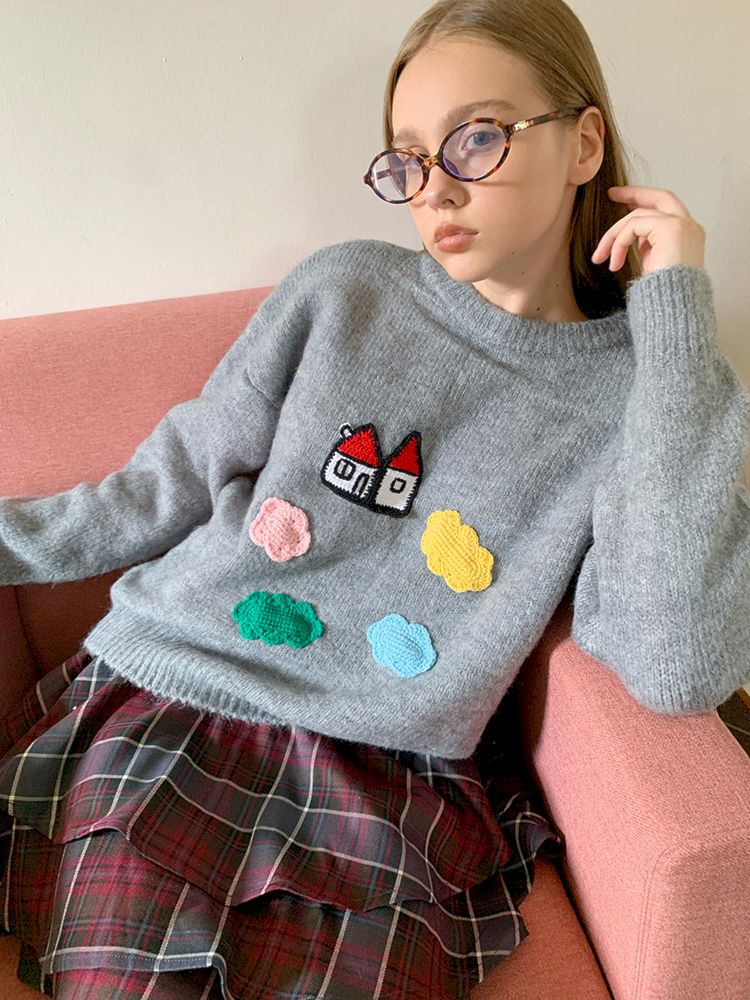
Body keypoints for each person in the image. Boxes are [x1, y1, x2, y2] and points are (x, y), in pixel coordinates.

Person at [1, 0, 748, 997]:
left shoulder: (650, 388)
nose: (434, 188)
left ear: (583, 143)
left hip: (389, 778)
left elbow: (677, 662)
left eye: (476, 137)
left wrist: (675, 311)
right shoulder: (343, 291)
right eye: (408, 158)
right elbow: (170, 479)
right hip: (180, 701)